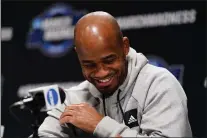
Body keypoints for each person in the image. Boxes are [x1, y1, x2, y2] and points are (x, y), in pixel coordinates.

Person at [37, 11, 192, 137]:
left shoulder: (158, 85)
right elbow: (46, 134)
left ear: (124, 47)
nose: (101, 72)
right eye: (89, 65)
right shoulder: (74, 99)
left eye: (109, 60)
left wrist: (100, 125)